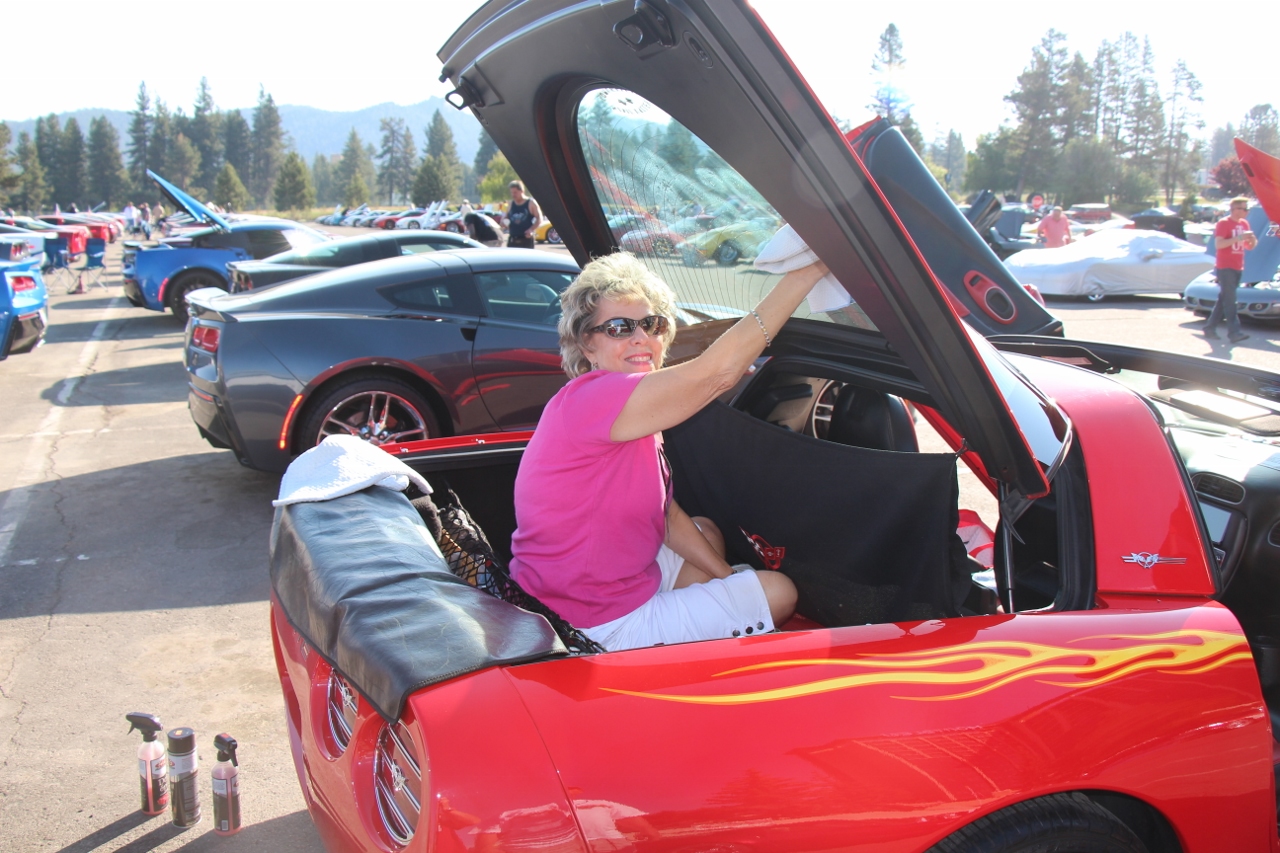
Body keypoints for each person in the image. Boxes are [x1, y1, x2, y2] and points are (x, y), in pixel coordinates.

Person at [508, 251, 828, 651]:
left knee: (705, 532)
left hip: (576, 588)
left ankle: (693, 618)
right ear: (587, 345)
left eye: (652, 324)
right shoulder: (597, 400)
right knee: (780, 592)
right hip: (594, 620)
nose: (641, 338)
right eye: (620, 328)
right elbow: (718, 374)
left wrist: (726, 576)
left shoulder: (630, 406)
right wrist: (808, 273)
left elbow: (664, 512)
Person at [1203, 197, 1258, 343]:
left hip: (1237, 266)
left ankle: (1209, 328)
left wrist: (1251, 239)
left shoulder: (1244, 224)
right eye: (1244, 209)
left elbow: (1250, 246)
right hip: (1225, 266)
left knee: (1224, 300)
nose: (1246, 212)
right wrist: (1239, 237)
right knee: (1230, 301)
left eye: (1247, 209)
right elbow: (1219, 244)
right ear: (1234, 209)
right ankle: (1234, 332)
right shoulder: (1224, 223)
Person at [505, 181, 542, 249]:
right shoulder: (511, 204)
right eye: (512, 192)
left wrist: (531, 229)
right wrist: (504, 222)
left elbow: (539, 218)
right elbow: (505, 217)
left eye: (515, 192)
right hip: (513, 240)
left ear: (522, 191)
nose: (513, 195)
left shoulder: (531, 203)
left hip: (526, 240)